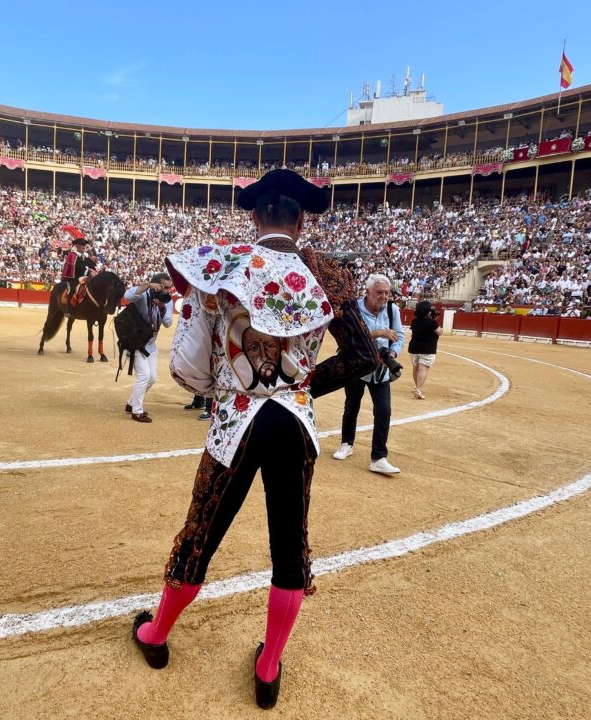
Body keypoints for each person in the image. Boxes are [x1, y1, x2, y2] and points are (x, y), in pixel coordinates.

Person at [130, 169, 378, 710]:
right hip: (293, 421)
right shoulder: (326, 274)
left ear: (254, 217)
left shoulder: (222, 264)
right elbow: (365, 357)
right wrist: (307, 382)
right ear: (302, 219)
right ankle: (268, 669)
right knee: (289, 548)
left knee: (202, 531)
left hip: (234, 421)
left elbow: (191, 365)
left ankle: (157, 635)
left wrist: (224, 380)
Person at [332, 273, 406, 475]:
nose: (384, 297)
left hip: (380, 369)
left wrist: (392, 352)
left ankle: (379, 457)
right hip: (357, 366)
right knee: (351, 406)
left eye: (387, 293)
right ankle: (347, 443)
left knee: (384, 411)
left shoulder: (392, 309)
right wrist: (379, 333)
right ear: (368, 292)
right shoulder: (354, 308)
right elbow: (349, 337)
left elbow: (399, 337)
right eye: (379, 292)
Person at [122, 273, 174, 423]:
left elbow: (168, 323)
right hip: (135, 342)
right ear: (155, 284)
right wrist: (148, 285)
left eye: (169, 288)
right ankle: (137, 411)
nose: (166, 291)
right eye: (163, 287)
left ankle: (131, 403)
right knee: (144, 376)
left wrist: (163, 308)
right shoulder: (144, 293)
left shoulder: (166, 301)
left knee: (152, 378)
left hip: (150, 343)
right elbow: (128, 296)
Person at [407, 300, 441, 399]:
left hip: (414, 348)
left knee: (416, 368)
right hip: (427, 349)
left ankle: (417, 387)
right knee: (423, 368)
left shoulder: (414, 321)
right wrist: (434, 319)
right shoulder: (432, 322)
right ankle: (418, 390)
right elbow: (439, 332)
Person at [60, 224, 96, 314]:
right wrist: (88, 270)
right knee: (73, 288)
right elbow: (77, 268)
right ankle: (69, 308)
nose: (84, 246)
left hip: (86, 277)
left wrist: (95, 268)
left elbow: (91, 266)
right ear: (77, 246)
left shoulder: (86, 256)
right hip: (75, 277)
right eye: (82, 245)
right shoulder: (73, 255)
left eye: (84, 245)